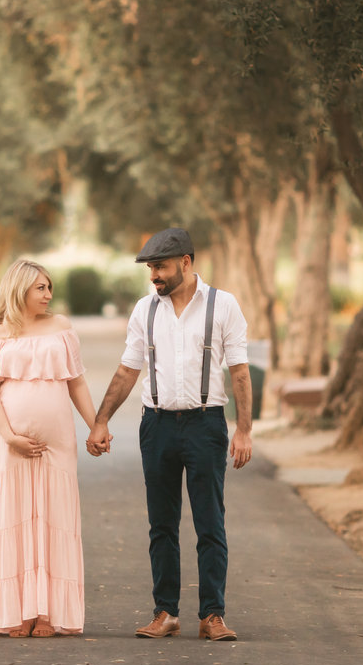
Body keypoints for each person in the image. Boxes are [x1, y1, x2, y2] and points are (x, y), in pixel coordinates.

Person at [86, 227, 253, 641]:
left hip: (205, 424)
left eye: (159, 267)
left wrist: (244, 430)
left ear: (185, 262)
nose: (153, 276)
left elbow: (239, 371)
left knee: (210, 523)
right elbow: (128, 370)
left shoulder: (223, 305)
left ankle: (212, 615)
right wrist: (101, 420)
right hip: (157, 425)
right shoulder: (145, 309)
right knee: (161, 524)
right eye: (150, 268)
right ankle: (166, 612)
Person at [0, 259, 99, 637]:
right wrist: (10, 436)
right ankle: (19, 612)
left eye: (49, 287)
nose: (48, 294)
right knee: (14, 518)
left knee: (54, 518)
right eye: (41, 287)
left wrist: (96, 425)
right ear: (19, 288)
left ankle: (47, 614)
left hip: (58, 443)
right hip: (10, 444)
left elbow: (77, 382)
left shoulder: (62, 328)